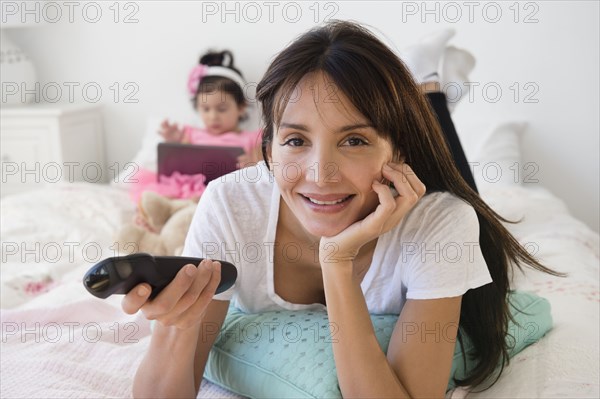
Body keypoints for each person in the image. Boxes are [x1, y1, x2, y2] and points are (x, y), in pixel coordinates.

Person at [122, 21, 562, 398]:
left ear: (397, 151)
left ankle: (428, 84)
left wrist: (337, 261)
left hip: (436, 203)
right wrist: (176, 325)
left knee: (465, 189)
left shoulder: (441, 222)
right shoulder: (231, 204)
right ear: (268, 148)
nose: (321, 174)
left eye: (354, 140)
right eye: (295, 140)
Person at [128, 50, 262, 204]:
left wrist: (254, 164)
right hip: (187, 190)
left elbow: (266, 172)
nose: (213, 116)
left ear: (241, 107)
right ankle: (152, 219)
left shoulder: (252, 139)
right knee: (158, 200)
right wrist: (175, 143)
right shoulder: (190, 134)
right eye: (205, 109)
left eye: (222, 109)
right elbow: (179, 166)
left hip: (226, 194)